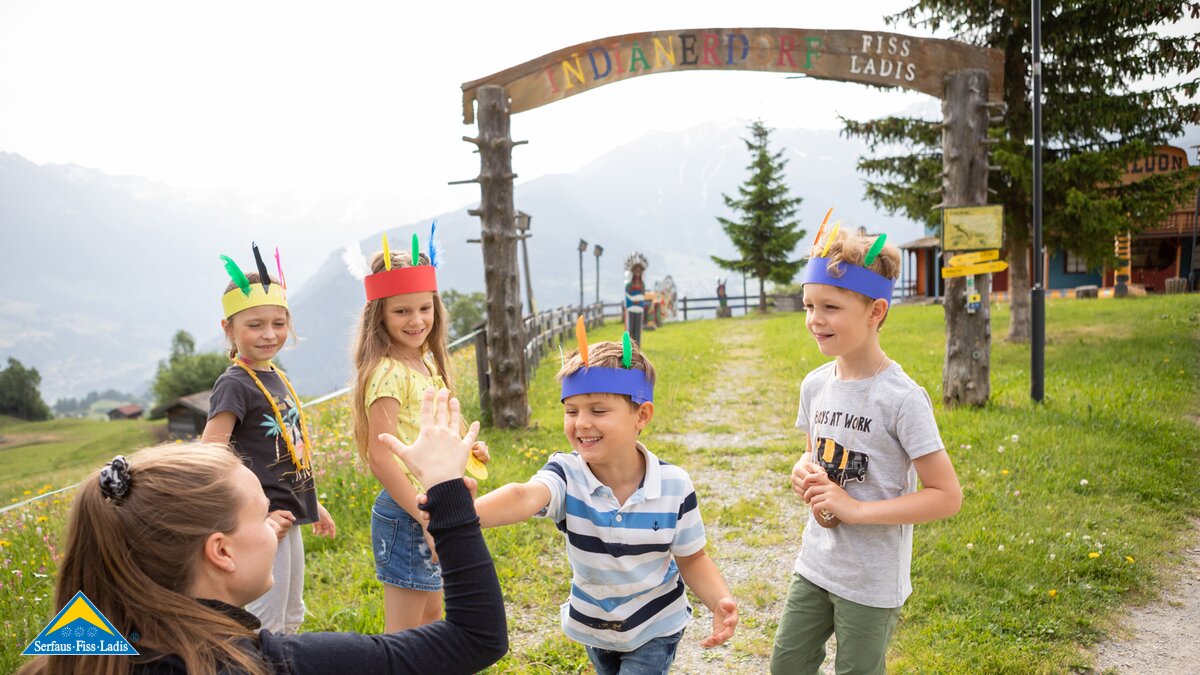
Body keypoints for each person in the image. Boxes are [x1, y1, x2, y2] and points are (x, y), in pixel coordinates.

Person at [19, 388, 508, 675]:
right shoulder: (268, 664)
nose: (277, 523)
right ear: (221, 552)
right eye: (262, 514)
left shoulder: (71, 657)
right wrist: (446, 492)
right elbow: (475, 637)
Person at [472, 321, 738, 674]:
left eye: (598, 411)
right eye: (572, 410)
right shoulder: (566, 475)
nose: (581, 423)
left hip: (654, 626)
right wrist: (460, 516)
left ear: (641, 415)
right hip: (593, 627)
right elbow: (523, 496)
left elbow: (692, 558)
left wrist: (719, 600)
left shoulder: (674, 486)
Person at [770, 227, 963, 674]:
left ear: (876, 310)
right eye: (809, 306)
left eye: (831, 307)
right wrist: (801, 470)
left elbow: (946, 495)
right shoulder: (815, 385)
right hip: (816, 564)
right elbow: (813, 454)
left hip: (871, 582)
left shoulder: (902, 398)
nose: (815, 319)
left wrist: (855, 511)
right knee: (786, 666)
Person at [347, 231, 489, 632]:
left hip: (433, 504)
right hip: (411, 511)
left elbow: (429, 432)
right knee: (403, 634)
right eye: (402, 312)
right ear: (380, 316)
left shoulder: (425, 365)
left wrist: (468, 449)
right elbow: (380, 455)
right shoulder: (388, 373)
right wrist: (424, 519)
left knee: (431, 621)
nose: (417, 321)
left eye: (424, 308)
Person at [201, 245, 336, 634]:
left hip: (288, 513)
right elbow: (211, 455)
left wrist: (311, 499)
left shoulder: (275, 374)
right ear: (228, 328)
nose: (269, 334)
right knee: (266, 617)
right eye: (254, 324)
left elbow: (283, 451)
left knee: (292, 611)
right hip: (261, 521)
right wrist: (254, 517)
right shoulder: (234, 384)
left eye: (278, 323)